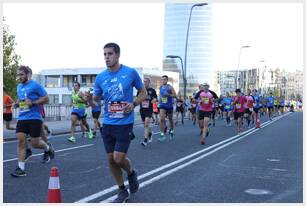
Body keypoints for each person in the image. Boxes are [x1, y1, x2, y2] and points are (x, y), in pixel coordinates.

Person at [93, 42, 147, 203]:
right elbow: (96, 102)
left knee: (118, 158)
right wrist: (89, 100)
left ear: (117, 55)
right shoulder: (100, 77)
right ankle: (121, 189)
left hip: (125, 122)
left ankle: (131, 172)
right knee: (110, 159)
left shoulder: (130, 73)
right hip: (108, 122)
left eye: (110, 54)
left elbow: (143, 92)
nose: (106, 57)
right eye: (104, 54)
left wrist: (135, 103)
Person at [11, 66, 55, 177]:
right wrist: (16, 103)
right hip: (22, 118)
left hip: (34, 118)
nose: (19, 77)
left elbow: (46, 98)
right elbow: (21, 99)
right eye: (18, 75)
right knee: (21, 141)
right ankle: (21, 169)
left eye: (21, 74)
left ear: (27, 74)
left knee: (35, 143)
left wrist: (33, 102)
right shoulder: (19, 86)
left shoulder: (35, 85)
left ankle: (48, 148)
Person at [138, 77, 157, 147]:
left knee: (146, 124)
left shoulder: (152, 90)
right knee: (145, 125)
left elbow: (155, 98)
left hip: (149, 109)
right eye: (144, 81)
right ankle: (150, 133)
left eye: (146, 81)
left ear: (149, 82)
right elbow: (138, 98)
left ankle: (145, 140)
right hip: (142, 109)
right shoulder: (140, 90)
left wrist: (154, 100)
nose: (145, 82)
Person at [158, 75, 176, 141]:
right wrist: (159, 100)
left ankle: (172, 131)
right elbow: (160, 95)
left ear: (167, 80)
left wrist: (168, 95)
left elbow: (175, 95)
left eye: (164, 79)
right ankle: (162, 135)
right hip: (162, 105)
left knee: (170, 119)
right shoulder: (160, 87)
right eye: (162, 79)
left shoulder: (170, 87)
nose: (163, 80)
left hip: (169, 106)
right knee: (161, 119)